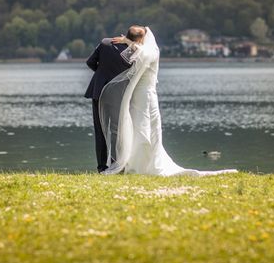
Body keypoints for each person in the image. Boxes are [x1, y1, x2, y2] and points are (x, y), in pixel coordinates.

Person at [98, 26, 237, 176]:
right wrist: (130, 42)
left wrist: (126, 41)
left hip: (145, 96)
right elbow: (134, 55)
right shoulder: (142, 50)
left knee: (146, 127)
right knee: (140, 127)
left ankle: (144, 164)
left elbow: (138, 55)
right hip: (141, 95)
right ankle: (137, 162)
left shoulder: (150, 52)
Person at [84, 26, 145, 172]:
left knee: (100, 130)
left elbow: (90, 62)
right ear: (140, 39)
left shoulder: (106, 43)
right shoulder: (136, 53)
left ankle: (101, 167)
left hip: (98, 90)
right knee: (116, 130)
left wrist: (101, 74)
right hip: (118, 94)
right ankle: (116, 165)